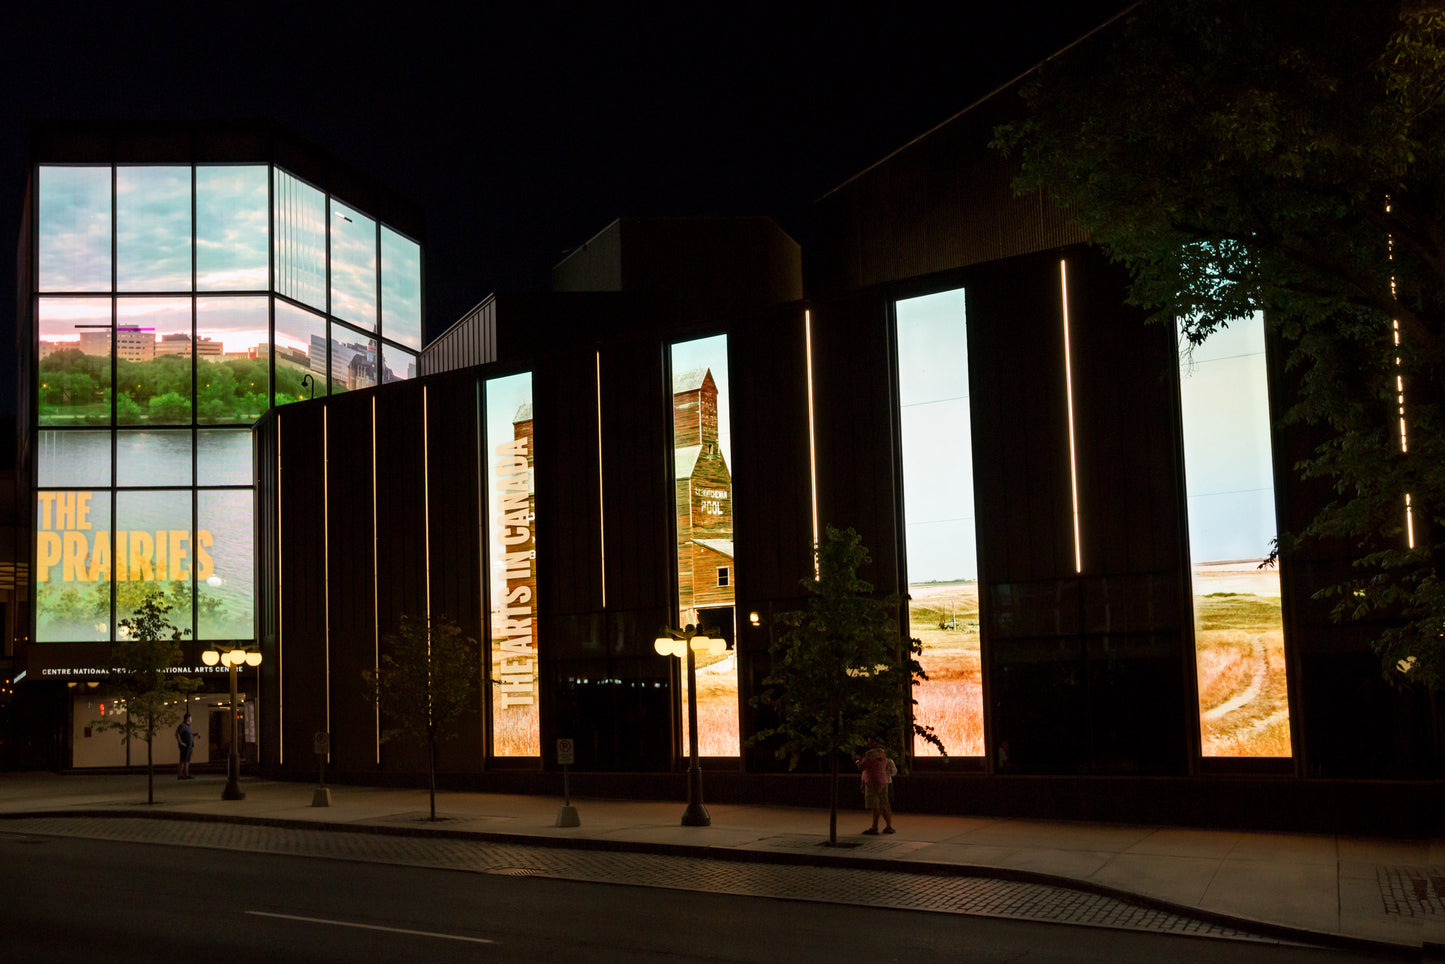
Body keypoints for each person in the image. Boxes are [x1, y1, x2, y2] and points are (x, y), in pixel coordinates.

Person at [852, 743, 897, 834]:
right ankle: (888, 826)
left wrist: (857, 761)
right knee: (884, 804)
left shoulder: (869, 754)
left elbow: (862, 767)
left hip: (872, 781)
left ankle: (875, 827)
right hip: (883, 780)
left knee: (875, 805)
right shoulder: (883, 753)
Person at [176, 713, 196, 779]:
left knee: (187, 761)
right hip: (185, 746)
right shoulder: (182, 726)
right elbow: (177, 733)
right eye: (190, 718)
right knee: (183, 760)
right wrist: (181, 742)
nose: (191, 719)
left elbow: (188, 735)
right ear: (187, 718)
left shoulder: (187, 727)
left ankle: (186, 774)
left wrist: (194, 735)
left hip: (189, 746)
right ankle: (180, 774)